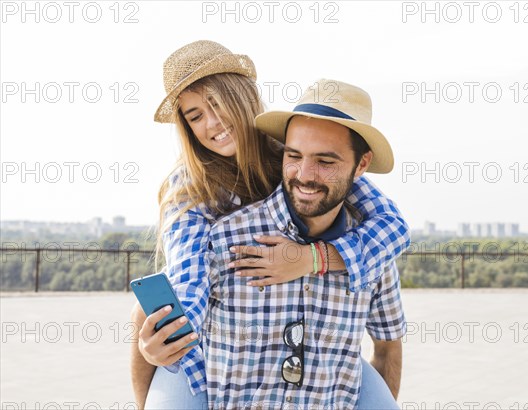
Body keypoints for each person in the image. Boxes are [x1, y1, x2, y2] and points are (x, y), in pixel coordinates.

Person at [131, 40, 410, 409]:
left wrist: (311, 259)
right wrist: (174, 334)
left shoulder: (293, 154)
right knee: (148, 322)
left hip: (320, 348)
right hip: (210, 349)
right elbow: (189, 276)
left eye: (216, 104)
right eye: (195, 116)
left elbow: (393, 226)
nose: (211, 123)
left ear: (242, 97)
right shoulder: (191, 187)